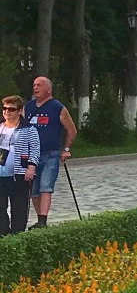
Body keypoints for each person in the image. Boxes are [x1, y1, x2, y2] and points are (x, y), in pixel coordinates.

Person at [23, 76, 75, 227]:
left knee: (46, 186)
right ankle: (40, 219)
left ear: (49, 89)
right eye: (34, 85)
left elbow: (71, 130)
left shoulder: (57, 107)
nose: (36, 88)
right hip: (32, 155)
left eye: (39, 85)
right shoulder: (29, 107)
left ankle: (43, 220)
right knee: (34, 190)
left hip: (51, 154)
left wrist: (66, 149)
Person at [0, 96, 39, 234]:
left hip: (19, 174)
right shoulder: (0, 127)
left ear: (19, 111)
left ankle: (17, 234)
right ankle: (3, 234)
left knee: (19, 208)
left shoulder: (29, 129)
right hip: (1, 174)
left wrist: (31, 167)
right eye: (4, 108)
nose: (7, 112)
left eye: (11, 109)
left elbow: (35, 149)